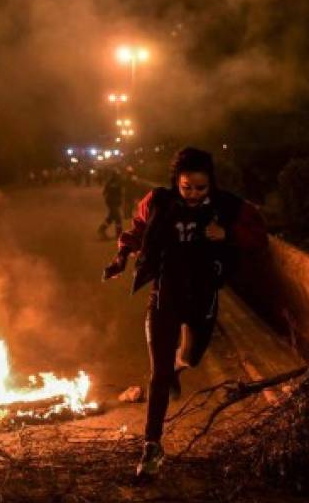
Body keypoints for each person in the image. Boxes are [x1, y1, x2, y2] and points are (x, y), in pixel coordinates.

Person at [102, 147, 267, 478]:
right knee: (158, 375)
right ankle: (152, 446)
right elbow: (137, 229)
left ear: (211, 185)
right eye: (186, 186)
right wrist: (121, 257)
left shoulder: (229, 207)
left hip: (202, 297)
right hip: (164, 296)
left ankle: (180, 368)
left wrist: (229, 234)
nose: (192, 194)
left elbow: (259, 237)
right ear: (176, 182)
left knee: (191, 357)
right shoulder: (159, 201)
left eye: (200, 188)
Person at [98, 169, 124, 239]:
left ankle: (101, 229)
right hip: (112, 203)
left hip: (112, 202)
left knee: (111, 218)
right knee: (118, 218)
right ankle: (119, 234)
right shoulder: (115, 183)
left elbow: (104, 192)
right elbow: (105, 192)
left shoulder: (113, 182)